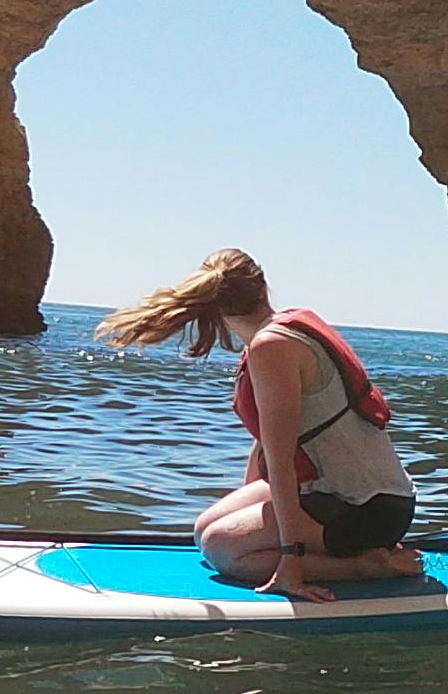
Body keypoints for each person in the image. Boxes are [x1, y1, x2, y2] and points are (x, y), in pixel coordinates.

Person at [95, 249, 423, 598]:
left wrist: (289, 560)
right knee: (205, 529)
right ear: (263, 286)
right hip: (340, 493)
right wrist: (250, 513)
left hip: (368, 510)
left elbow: (281, 462)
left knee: (222, 548)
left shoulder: (273, 346)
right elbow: (267, 441)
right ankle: (335, 550)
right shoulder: (286, 328)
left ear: (214, 307)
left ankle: (365, 566)